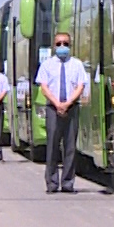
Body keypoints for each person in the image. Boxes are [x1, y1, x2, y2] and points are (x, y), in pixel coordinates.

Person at [36, 32, 88, 193]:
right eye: (58, 44)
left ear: (70, 46)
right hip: (53, 108)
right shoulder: (47, 65)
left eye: (65, 43)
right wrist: (57, 103)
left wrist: (68, 103)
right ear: (54, 46)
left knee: (70, 146)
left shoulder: (77, 64)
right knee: (52, 145)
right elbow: (44, 87)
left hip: (71, 107)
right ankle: (51, 182)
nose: (62, 47)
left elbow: (80, 86)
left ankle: (67, 182)